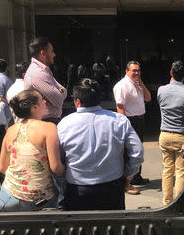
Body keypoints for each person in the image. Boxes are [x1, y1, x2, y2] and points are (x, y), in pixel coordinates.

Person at [58, 79, 144, 210]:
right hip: (112, 188)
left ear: (77, 101)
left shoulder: (64, 124)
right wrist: (128, 177)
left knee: (81, 230)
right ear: (100, 98)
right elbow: (137, 152)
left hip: (77, 190)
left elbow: (57, 159)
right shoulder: (119, 120)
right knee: (113, 229)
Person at [0, 90, 65, 211]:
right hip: (39, 200)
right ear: (34, 107)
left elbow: (2, 168)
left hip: (7, 196)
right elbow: (56, 168)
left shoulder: (11, 130)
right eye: (42, 100)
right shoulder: (49, 128)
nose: (45, 102)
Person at [158, 61, 184, 206]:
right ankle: (177, 203)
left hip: (165, 134)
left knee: (167, 169)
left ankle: (166, 202)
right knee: (181, 171)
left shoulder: (161, 90)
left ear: (170, 73)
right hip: (182, 135)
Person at [113, 61, 151, 194]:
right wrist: (124, 126)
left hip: (140, 119)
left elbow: (148, 98)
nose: (137, 73)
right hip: (130, 121)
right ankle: (125, 182)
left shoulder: (138, 84)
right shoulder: (122, 85)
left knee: (139, 148)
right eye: (134, 70)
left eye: (138, 70)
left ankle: (136, 177)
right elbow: (120, 107)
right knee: (129, 152)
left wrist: (142, 84)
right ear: (126, 71)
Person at [24, 37, 67, 124]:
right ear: (43, 54)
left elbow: (64, 91)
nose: (54, 54)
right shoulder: (37, 73)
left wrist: (59, 92)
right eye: (51, 51)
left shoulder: (44, 70)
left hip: (48, 121)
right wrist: (59, 92)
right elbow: (59, 101)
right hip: (44, 122)